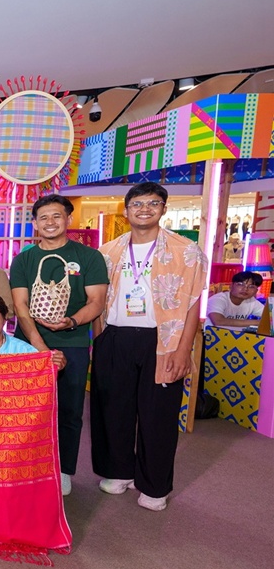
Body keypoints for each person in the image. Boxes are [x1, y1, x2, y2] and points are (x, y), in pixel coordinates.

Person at [91, 182, 206, 512]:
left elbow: (193, 304)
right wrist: (100, 338)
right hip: (115, 337)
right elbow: (98, 298)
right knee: (113, 410)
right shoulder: (108, 251)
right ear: (126, 210)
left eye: (153, 203)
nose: (144, 209)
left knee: (158, 416)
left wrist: (183, 350)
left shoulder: (187, 251)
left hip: (162, 341)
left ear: (163, 209)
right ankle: (119, 471)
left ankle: (155, 485)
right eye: (137, 204)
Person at [9, 195, 108, 497]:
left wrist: (72, 321)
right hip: (29, 344)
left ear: (68, 219)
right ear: (35, 223)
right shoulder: (24, 260)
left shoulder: (89, 257)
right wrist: (40, 347)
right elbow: (21, 306)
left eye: (56, 216)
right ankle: (25, 466)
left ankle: (63, 470)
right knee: (26, 411)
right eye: (43, 217)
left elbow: (96, 302)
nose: (50, 222)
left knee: (69, 410)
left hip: (73, 342)